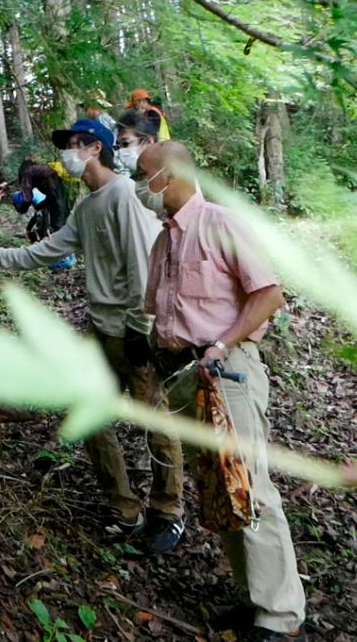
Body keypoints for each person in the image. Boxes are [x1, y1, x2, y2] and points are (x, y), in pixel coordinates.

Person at [0, 119, 186, 554]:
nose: (68, 154)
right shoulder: (88, 204)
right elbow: (55, 247)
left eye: (74, 145)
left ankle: (168, 512)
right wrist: (4, 255)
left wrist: (140, 327)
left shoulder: (126, 195)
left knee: (155, 419)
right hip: (101, 327)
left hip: (134, 330)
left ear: (95, 148)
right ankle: (123, 507)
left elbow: (142, 262)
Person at [138, 141, 306, 641]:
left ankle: (280, 615)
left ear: (169, 175)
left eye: (144, 174)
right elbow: (162, 313)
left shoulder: (221, 224)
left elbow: (267, 294)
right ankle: (252, 597)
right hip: (185, 376)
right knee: (220, 488)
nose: (139, 185)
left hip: (225, 373)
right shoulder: (164, 240)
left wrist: (222, 343)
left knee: (249, 484)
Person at [12, 158, 69, 242]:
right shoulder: (43, 173)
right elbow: (51, 199)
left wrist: (22, 209)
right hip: (63, 195)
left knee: (57, 229)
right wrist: (38, 207)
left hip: (58, 197)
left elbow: (27, 199)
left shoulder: (27, 173)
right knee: (61, 227)